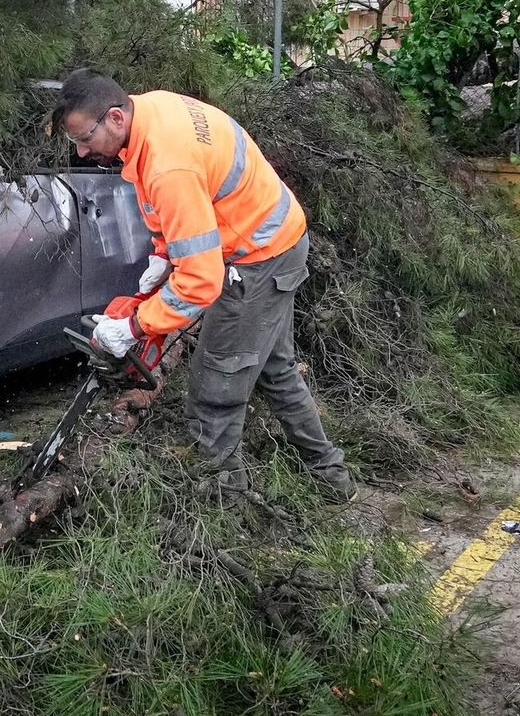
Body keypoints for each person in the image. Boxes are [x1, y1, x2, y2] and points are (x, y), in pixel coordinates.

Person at [54, 68, 355, 502]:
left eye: (85, 138)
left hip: (256, 257)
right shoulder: (150, 110)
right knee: (275, 370)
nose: (81, 152)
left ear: (116, 118)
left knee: (216, 388)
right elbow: (171, 207)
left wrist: (136, 326)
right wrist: (162, 255)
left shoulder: (166, 162)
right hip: (273, 239)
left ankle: (219, 510)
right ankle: (332, 479)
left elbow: (201, 281)